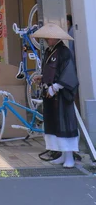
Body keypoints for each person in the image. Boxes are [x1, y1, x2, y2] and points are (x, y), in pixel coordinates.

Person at [32, 22, 79, 168]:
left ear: (55, 38)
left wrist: (57, 86)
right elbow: (50, 71)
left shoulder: (64, 52)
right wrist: (42, 77)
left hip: (61, 93)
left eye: (49, 37)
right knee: (54, 124)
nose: (47, 39)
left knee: (65, 123)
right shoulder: (48, 51)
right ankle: (61, 155)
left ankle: (69, 157)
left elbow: (68, 73)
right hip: (50, 93)